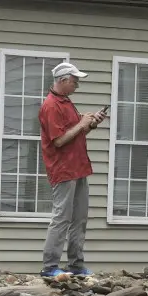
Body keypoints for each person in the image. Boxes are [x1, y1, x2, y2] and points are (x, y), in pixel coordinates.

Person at [39, 62, 106, 278]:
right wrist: (80, 124)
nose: (77, 84)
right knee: (61, 217)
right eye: (74, 80)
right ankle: (50, 267)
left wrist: (92, 123)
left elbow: (76, 135)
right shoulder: (51, 106)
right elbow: (58, 141)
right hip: (63, 170)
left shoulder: (66, 103)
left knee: (79, 218)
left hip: (78, 167)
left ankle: (76, 265)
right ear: (62, 80)